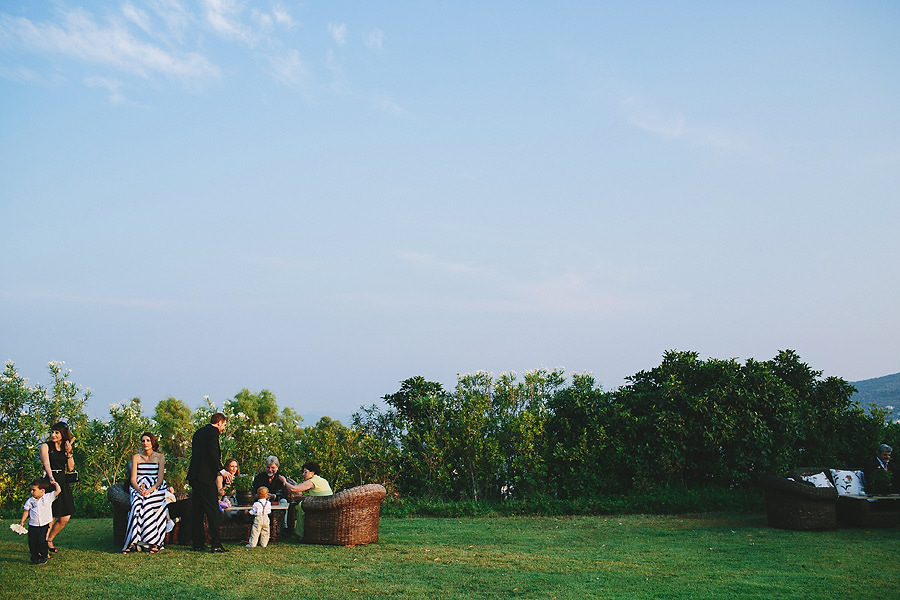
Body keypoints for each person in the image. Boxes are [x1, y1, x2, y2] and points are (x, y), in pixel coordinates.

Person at [187, 412, 233, 553]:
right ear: (219, 422)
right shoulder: (213, 433)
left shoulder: (199, 432)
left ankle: (198, 543)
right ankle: (216, 544)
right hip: (205, 478)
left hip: (195, 476)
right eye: (224, 425)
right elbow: (212, 453)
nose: (223, 428)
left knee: (198, 510)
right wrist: (221, 470)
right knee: (213, 511)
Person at [122, 432, 168, 554]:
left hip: (155, 488)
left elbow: (160, 480)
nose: (145, 443)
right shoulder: (136, 457)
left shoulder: (160, 457)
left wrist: (149, 490)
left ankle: (154, 542)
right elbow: (132, 479)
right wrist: (139, 490)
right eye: (143, 441)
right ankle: (132, 541)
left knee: (147, 503)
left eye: (148, 440)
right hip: (139, 486)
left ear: (152, 442)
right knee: (137, 505)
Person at [39, 421, 75, 553]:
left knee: (65, 516)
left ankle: (49, 539)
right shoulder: (46, 446)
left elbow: (70, 468)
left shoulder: (66, 447)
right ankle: (42, 546)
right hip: (50, 481)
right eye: (52, 432)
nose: (53, 435)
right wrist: (51, 479)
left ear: (63, 434)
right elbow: (46, 464)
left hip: (63, 481)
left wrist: (69, 453)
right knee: (50, 516)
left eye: (57, 432)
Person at [20, 478, 61, 565]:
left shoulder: (47, 497)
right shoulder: (30, 501)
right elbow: (26, 511)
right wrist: (22, 521)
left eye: (34, 490)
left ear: (42, 491)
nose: (31, 492)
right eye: (31, 490)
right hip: (33, 525)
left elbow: (58, 491)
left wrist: (55, 484)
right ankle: (34, 558)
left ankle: (44, 555)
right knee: (32, 543)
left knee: (42, 541)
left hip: (44, 525)